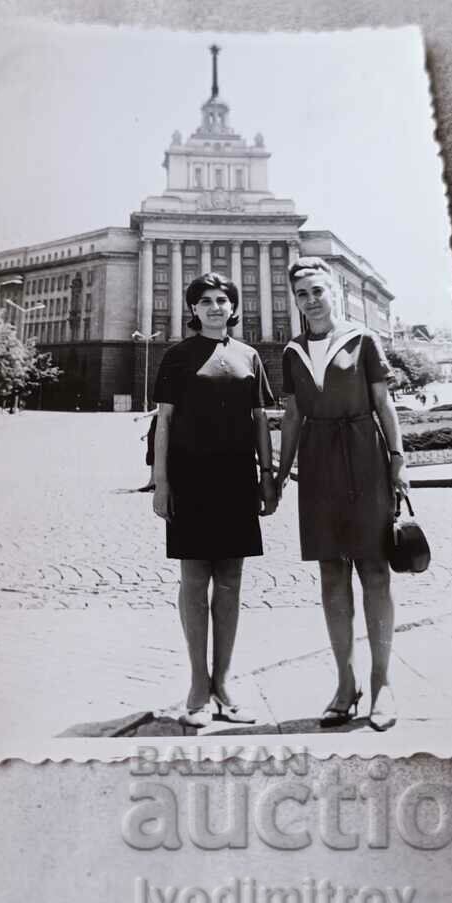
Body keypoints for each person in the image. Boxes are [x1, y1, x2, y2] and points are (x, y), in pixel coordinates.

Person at [275, 257, 409, 732]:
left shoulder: (362, 339)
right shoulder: (291, 351)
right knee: (332, 574)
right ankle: (344, 683)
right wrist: (279, 472)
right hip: (316, 464)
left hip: (366, 457)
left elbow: (383, 402)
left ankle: (382, 686)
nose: (310, 300)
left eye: (317, 290)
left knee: (374, 569)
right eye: (302, 294)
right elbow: (291, 415)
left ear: (334, 291)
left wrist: (398, 459)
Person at [152, 272, 277, 728]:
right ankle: (197, 686)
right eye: (204, 301)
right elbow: (163, 422)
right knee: (193, 582)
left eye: (222, 300)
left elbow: (261, 419)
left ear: (233, 307)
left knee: (229, 584)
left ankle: (223, 683)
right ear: (193, 310)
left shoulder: (249, 356)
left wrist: (268, 476)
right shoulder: (175, 357)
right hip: (190, 479)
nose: (214, 307)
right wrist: (160, 481)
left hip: (236, 480)